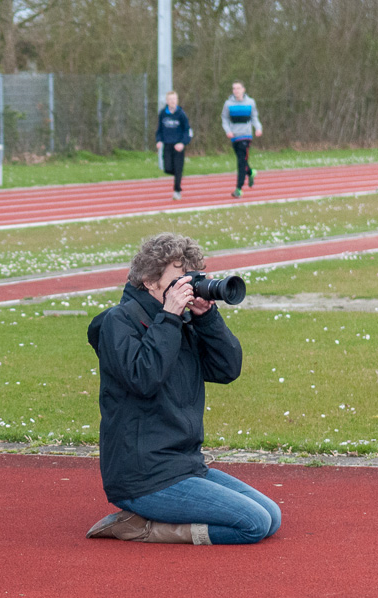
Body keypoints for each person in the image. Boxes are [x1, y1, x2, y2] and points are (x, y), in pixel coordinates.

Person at [85, 233, 280, 545]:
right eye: (180, 278)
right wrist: (170, 317)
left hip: (185, 465)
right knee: (253, 524)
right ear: (150, 282)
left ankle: (152, 520)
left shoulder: (182, 322)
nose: (187, 286)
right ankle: (146, 528)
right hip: (143, 476)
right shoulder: (118, 322)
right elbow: (143, 379)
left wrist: (207, 318)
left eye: (193, 277)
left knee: (271, 516)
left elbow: (227, 369)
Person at [221, 80, 262, 198]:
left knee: (240, 162)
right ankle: (250, 172)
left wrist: (258, 128)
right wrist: (228, 131)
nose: (236, 91)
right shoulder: (228, 104)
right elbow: (225, 119)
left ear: (243, 89)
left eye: (238, 88)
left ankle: (238, 189)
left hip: (246, 135)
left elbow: (254, 117)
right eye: (234, 88)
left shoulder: (250, 102)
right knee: (242, 161)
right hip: (234, 136)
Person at [155, 91, 191, 201]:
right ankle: (178, 175)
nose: (172, 101)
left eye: (174, 99)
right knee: (168, 168)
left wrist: (183, 143)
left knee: (178, 168)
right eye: (170, 99)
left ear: (177, 100)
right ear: (167, 101)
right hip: (168, 145)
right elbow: (159, 130)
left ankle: (177, 190)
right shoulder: (163, 114)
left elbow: (187, 131)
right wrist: (159, 140)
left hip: (178, 146)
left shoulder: (181, 114)